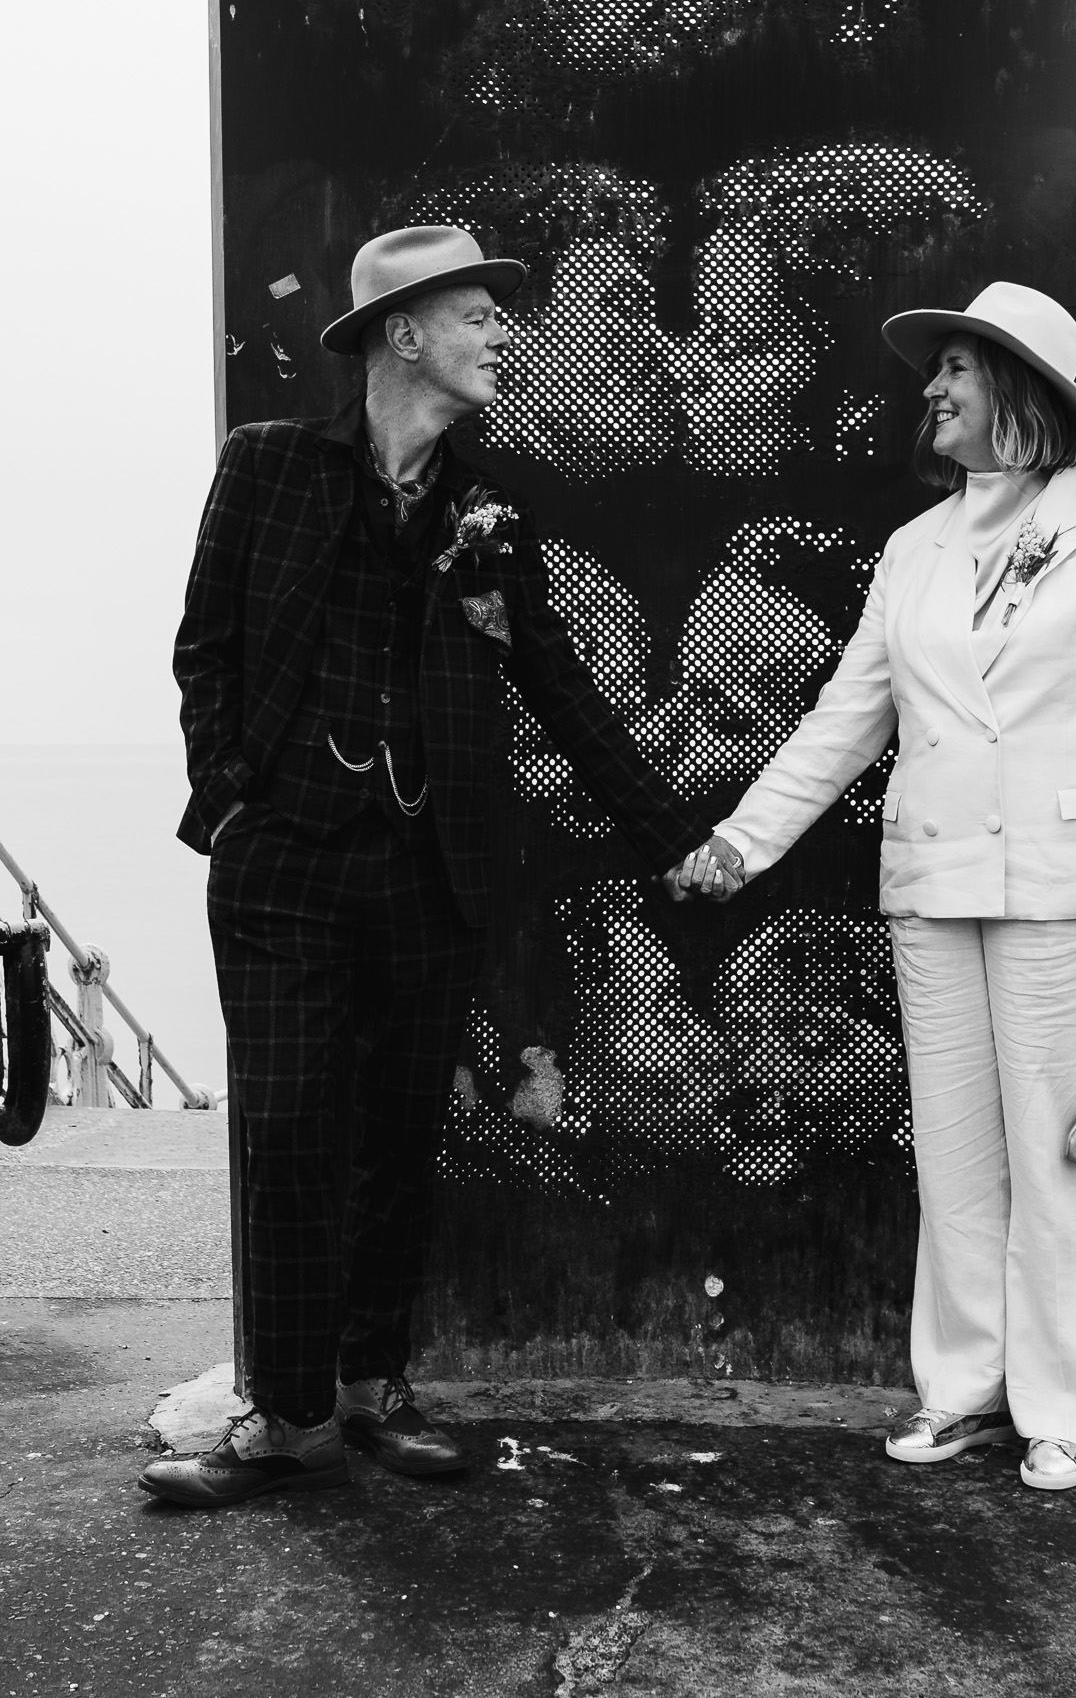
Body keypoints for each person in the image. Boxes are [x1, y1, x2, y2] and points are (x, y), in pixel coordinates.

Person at [146, 224, 707, 1510]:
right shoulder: (269, 470)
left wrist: (675, 835)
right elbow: (206, 652)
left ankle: (370, 1388)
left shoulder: (489, 513)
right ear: (404, 332)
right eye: (478, 315)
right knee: (287, 1130)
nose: (503, 334)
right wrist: (231, 802)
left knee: (398, 1137)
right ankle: (283, 1416)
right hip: (282, 860)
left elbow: (559, 686)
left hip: (428, 870)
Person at [673, 282, 1076, 1492]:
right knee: (955, 1159)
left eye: (957, 367)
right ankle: (963, 1389)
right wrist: (740, 841)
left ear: (1017, 385)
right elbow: (848, 718)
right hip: (931, 877)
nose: (932, 387)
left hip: (1069, 887)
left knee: (1060, 1157)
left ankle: (1064, 1408)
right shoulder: (913, 548)